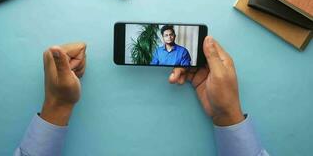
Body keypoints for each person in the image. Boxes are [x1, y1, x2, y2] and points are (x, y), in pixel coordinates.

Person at [14, 37, 269, 156]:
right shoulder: (157, 51)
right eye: (166, 35)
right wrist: (228, 115)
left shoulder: (179, 51)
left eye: (171, 35)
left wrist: (57, 104)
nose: (169, 38)